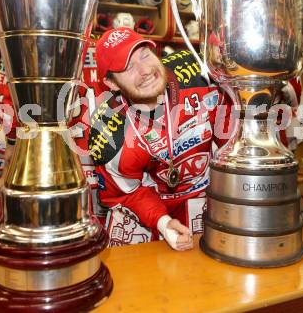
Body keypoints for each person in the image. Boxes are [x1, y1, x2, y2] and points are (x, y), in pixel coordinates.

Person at [89, 27, 229, 251]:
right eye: (128, 67)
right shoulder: (108, 132)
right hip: (153, 205)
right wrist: (162, 223)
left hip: (213, 192)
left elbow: (235, 139)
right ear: (112, 84)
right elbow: (128, 193)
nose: (145, 70)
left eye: (145, 55)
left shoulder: (201, 73)